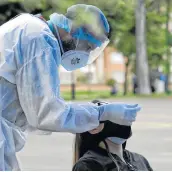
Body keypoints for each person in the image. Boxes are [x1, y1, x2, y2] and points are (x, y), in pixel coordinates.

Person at [0, 4, 141, 170]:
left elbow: (30, 111)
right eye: (88, 47)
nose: (85, 54)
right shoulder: (38, 38)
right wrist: (100, 113)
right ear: (74, 30)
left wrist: (88, 118)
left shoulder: (30, 28)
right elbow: (46, 114)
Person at [73, 101, 152, 171]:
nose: (123, 121)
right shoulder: (88, 165)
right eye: (113, 116)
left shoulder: (139, 160)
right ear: (94, 128)